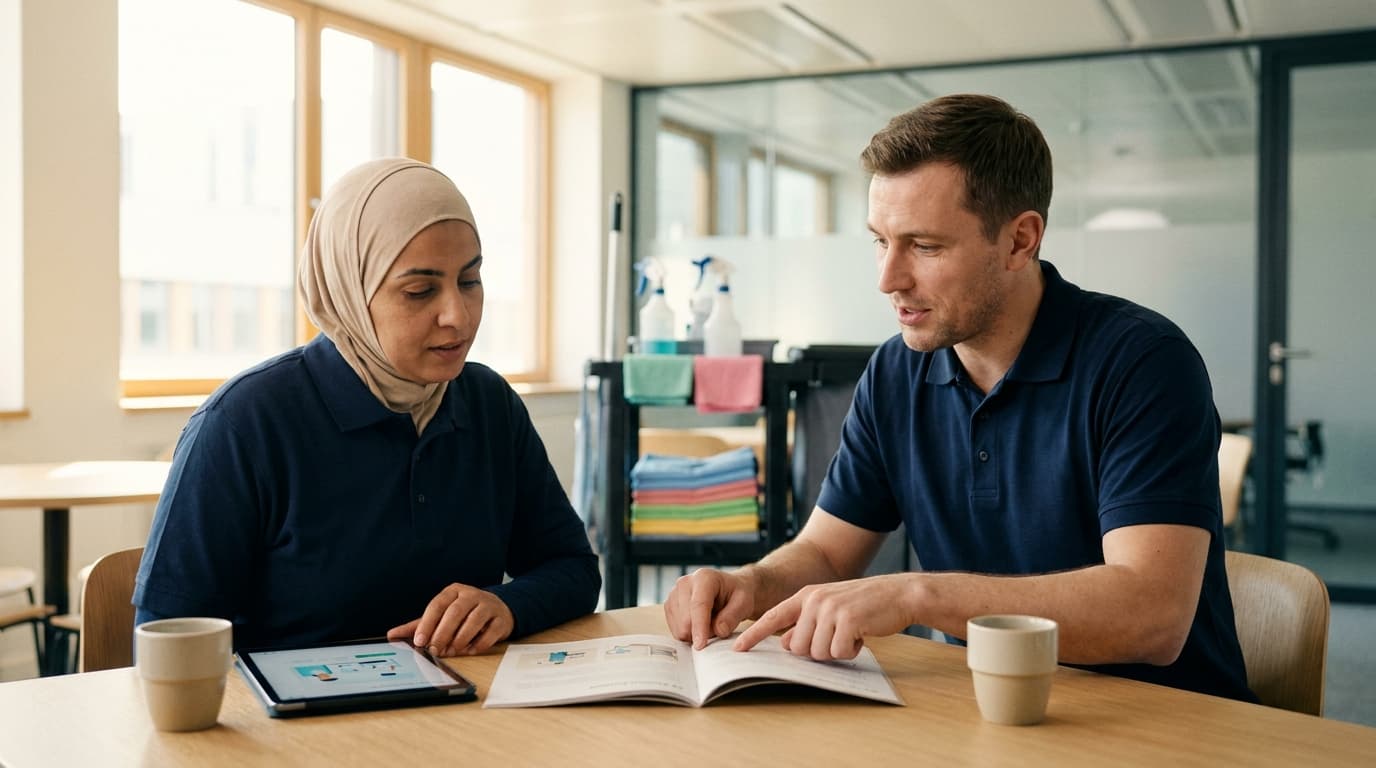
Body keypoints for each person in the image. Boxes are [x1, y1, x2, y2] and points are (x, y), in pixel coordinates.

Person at [664, 94, 1255, 702]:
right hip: (983, 711)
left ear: (1021, 241)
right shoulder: (895, 372)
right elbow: (825, 552)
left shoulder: (1143, 362)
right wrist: (750, 583)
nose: (888, 279)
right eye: (880, 241)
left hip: (1164, 722)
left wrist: (917, 593)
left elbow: (1151, 615)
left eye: (924, 246)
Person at [134, 158, 600, 657]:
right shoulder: (243, 423)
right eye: (420, 291)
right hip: (293, 726)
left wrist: (508, 605)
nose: (458, 315)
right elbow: (169, 637)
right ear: (348, 294)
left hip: (464, 717)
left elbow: (572, 569)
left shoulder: (490, 405)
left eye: (469, 281)